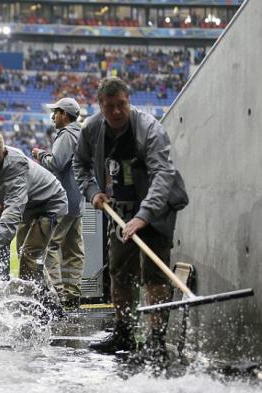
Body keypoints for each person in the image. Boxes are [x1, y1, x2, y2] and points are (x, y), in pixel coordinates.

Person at [73, 77, 188, 361]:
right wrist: (93, 191)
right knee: (120, 271)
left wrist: (144, 216)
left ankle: (156, 340)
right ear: (100, 106)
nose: (116, 112)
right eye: (109, 106)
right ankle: (123, 332)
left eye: (121, 105)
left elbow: (163, 175)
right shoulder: (91, 129)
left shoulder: (150, 129)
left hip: (157, 207)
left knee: (154, 275)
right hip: (120, 208)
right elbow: (80, 165)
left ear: (129, 101)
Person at [0, 131, 67, 296]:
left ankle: (41, 303)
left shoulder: (16, 169)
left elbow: (11, 216)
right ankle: (41, 296)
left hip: (51, 205)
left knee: (30, 254)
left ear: (3, 154)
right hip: (31, 206)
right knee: (24, 253)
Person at [32, 97, 86, 310]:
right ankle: (73, 294)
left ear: (65, 114)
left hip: (62, 201)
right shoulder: (83, 134)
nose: (53, 117)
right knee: (74, 250)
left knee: (51, 247)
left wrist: (40, 154)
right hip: (78, 202)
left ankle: (56, 296)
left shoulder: (67, 135)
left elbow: (55, 163)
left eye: (55, 112)